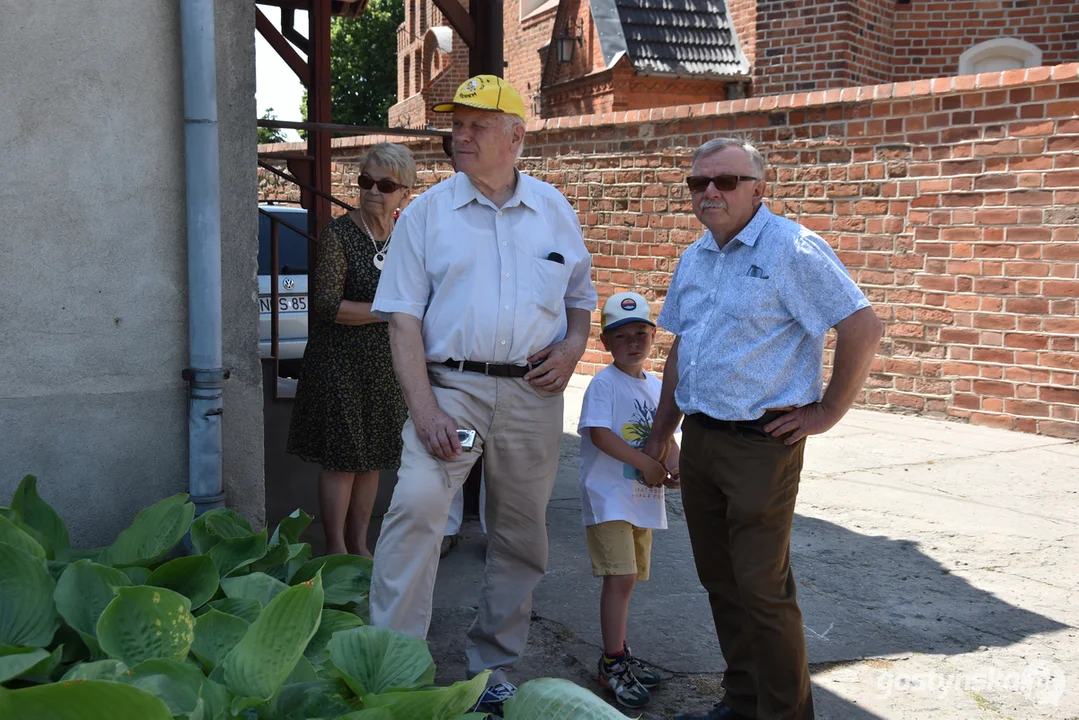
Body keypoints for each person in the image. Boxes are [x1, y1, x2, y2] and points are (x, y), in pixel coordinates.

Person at [369, 75, 598, 713]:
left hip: (532, 393)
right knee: (415, 507)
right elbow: (403, 319)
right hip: (451, 388)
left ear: (515, 136)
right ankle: (394, 670)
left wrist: (573, 348)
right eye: (456, 123)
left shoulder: (554, 208)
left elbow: (580, 300)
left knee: (521, 534)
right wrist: (424, 408)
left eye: (475, 124)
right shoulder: (424, 214)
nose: (458, 135)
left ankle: (492, 673)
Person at [643, 137, 883, 720]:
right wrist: (662, 431)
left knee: (762, 591)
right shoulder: (695, 256)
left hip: (762, 443)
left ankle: (786, 715)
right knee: (720, 582)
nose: (709, 193)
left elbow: (863, 327)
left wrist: (826, 411)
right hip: (701, 437)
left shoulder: (793, 249)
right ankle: (743, 700)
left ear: (759, 188)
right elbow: (682, 349)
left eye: (724, 181)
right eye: (698, 183)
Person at [286, 143, 417, 558]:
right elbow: (326, 306)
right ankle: (336, 548)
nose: (373, 190)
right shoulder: (340, 234)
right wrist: (390, 311)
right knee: (343, 460)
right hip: (338, 362)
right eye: (365, 181)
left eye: (385, 184)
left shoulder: (406, 242)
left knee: (372, 458)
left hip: (383, 364)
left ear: (404, 194)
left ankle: (360, 544)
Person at [577, 291, 679, 709]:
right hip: (609, 498)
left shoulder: (656, 386)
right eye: (621, 335)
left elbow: (665, 434)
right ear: (605, 343)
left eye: (641, 333)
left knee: (630, 578)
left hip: (639, 497)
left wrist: (674, 466)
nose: (633, 342)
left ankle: (620, 651)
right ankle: (612, 661)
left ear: (654, 335)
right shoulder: (603, 384)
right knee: (619, 578)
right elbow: (599, 434)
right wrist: (644, 462)